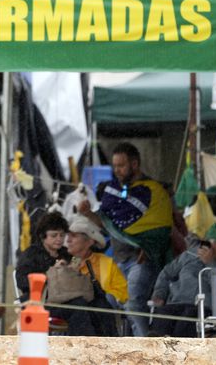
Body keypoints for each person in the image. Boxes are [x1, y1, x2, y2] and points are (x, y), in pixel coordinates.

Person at [78, 142, 173, 336]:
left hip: (142, 261)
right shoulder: (113, 191)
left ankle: (146, 350)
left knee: (133, 303)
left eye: (121, 166)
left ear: (135, 164)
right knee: (109, 303)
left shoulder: (154, 191)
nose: (117, 171)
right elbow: (107, 223)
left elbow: (161, 230)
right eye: (115, 166)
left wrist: (148, 247)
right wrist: (88, 213)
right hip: (120, 260)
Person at [15, 211, 99, 335]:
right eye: (54, 236)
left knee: (100, 305)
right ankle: (84, 346)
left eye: (62, 235)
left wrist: (73, 266)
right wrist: (51, 272)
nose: (59, 239)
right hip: (41, 302)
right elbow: (22, 281)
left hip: (67, 297)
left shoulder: (66, 253)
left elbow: (77, 263)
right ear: (43, 236)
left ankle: (108, 345)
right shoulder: (31, 254)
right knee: (78, 307)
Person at [149, 223, 216, 337]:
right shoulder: (189, 256)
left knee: (186, 321)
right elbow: (166, 273)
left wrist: (210, 264)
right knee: (162, 317)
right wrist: (159, 293)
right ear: (209, 244)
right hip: (177, 303)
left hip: (205, 308)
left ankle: (178, 352)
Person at [65, 216, 126, 336]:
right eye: (69, 236)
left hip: (102, 312)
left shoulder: (105, 263)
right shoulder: (65, 264)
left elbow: (121, 292)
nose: (68, 240)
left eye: (74, 236)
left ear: (90, 241)